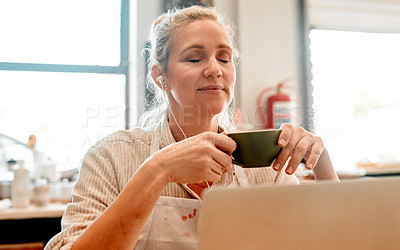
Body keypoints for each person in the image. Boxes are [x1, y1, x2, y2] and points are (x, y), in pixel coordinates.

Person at [45, 5, 338, 250]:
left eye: (224, 58)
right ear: (160, 77)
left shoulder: (263, 163)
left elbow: (329, 238)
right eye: (195, 58)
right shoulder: (110, 156)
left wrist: (321, 161)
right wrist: (157, 170)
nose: (215, 69)